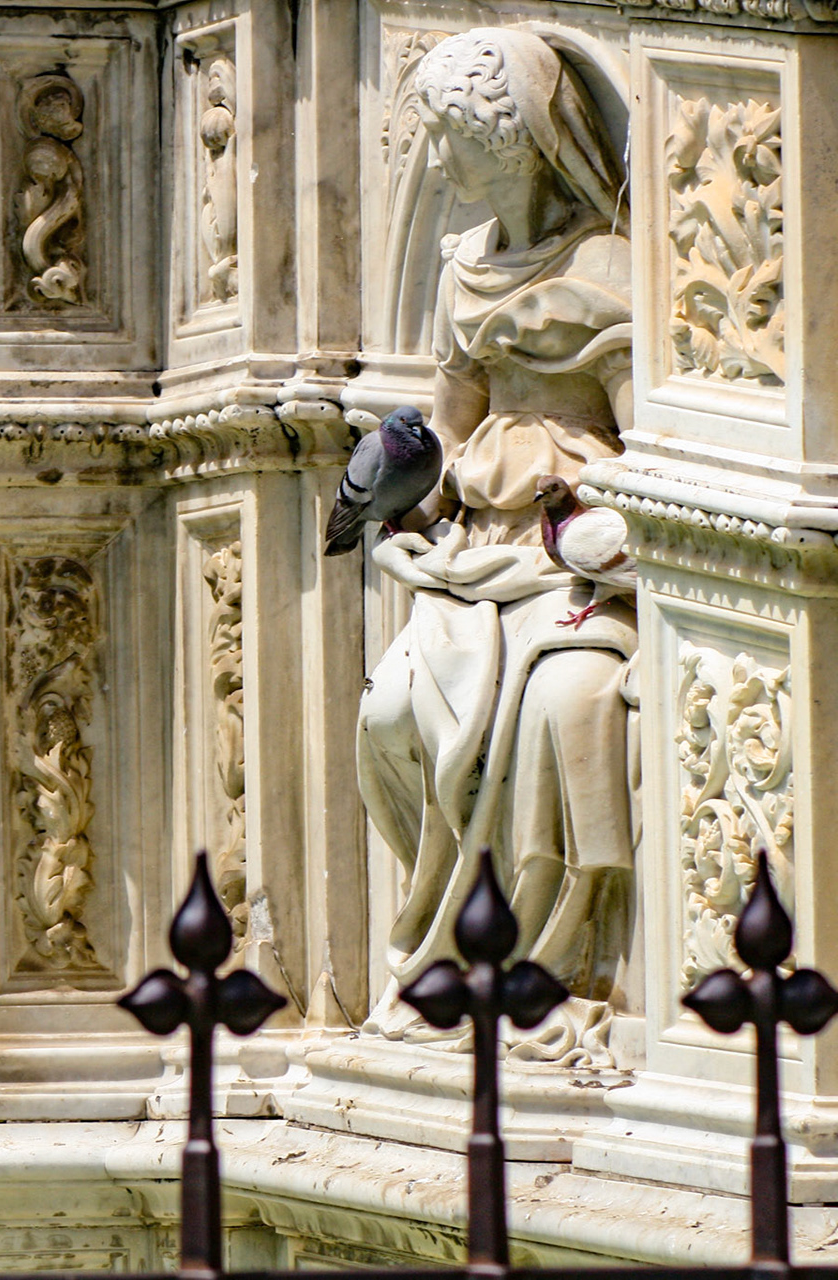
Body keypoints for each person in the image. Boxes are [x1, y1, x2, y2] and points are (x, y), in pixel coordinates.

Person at [355, 29, 636, 1066]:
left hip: (580, 563)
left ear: (510, 143)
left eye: (447, 141)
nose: (434, 165)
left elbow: (647, 453)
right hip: (479, 554)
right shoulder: (462, 269)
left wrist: (597, 525)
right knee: (391, 709)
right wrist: (410, 529)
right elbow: (447, 439)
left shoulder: (609, 275)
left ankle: (547, 968)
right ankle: (449, 947)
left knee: (565, 706)